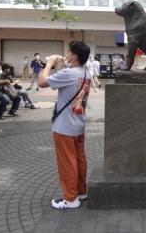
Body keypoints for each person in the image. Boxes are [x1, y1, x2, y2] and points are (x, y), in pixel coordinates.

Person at [38, 41, 91, 209]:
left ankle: (70, 198)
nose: (66, 56)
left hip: (64, 127)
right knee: (79, 160)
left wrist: (49, 63)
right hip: (78, 124)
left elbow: (41, 82)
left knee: (67, 162)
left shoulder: (68, 73)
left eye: (68, 53)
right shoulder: (86, 73)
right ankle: (81, 192)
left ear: (74, 56)